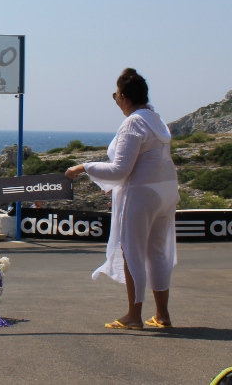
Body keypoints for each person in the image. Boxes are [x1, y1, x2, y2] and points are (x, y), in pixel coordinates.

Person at [65, 68, 179, 330]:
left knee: (132, 251)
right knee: (157, 252)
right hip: (167, 190)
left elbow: (120, 170)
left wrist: (83, 167)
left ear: (125, 97)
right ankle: (162, 314)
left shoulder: (133, 123)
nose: (115, 99)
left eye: (115, 95)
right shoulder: (156, 120)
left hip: (143, 193)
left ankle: (133, 315)